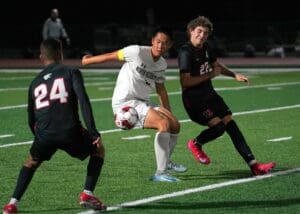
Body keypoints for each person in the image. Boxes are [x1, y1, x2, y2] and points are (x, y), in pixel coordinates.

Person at [2, 38, 106, 214]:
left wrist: (40, 138)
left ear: (41, 57)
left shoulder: (34, 82)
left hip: (44, 134)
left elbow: (31, 118)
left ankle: (12, 204)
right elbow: (83, 101)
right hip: (70, 132)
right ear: (60, 53)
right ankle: (87, 193)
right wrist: (93, 131)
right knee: (98, 149)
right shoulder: (71, 72)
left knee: (31, 161)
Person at [82, 26, 187, 182]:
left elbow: (161, 90)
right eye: (158, 42)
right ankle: (160, 173)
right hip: (126, 102)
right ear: (152, 41)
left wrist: (168, 111)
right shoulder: (136, 52)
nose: (160, 46)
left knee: (175, 124)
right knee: (163, 124)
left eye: (164, 43)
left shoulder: (162, 64)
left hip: (143, 101)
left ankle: (166, 161)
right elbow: (112, 55)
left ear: (169, 45)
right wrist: (87, 60)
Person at [177, 16, 276, 176]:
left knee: (231, 124)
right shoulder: (185, 52)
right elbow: (185, 82)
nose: (202, 36)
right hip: (194, 99)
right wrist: (209, 74)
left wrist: (234, 74)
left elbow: (217, 66)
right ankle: (195, 143)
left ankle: (254, 165)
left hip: (209, 94)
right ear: (191, 31)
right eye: (199, 31)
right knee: (218, 128)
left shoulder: (207, 47)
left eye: (205, 33)